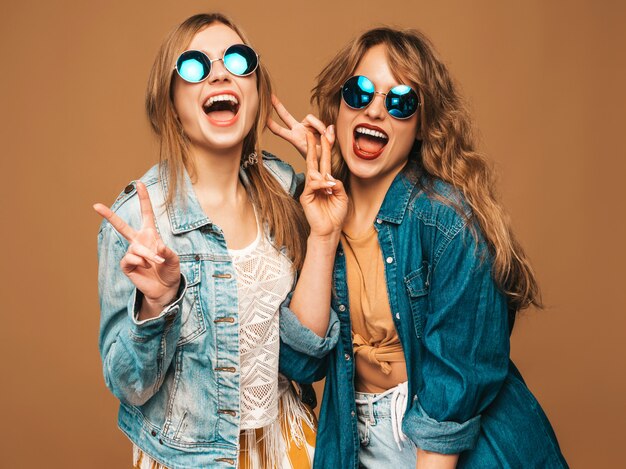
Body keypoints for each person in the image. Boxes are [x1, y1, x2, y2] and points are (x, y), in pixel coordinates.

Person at [272, 27, 569, 468]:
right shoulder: (312, 209)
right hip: (357, 439)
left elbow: (455, 387)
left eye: (400, 102)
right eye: (360, 92)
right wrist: (322, 235)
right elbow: (300, 363)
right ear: (338, 105)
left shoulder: (447, 222)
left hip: (450, 443)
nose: (375, 110)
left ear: (422, 127)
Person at [94, 13, 346, 469]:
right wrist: (156, 306)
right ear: (171, 104)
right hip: (191, 459)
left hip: (287, 446)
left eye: (237, 59)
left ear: (254, 94)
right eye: (193, 66)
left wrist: (325, 229)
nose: (218, 72)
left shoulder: (284, 188)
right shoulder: (137, 220)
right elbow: (128, 385)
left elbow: (304, 364)